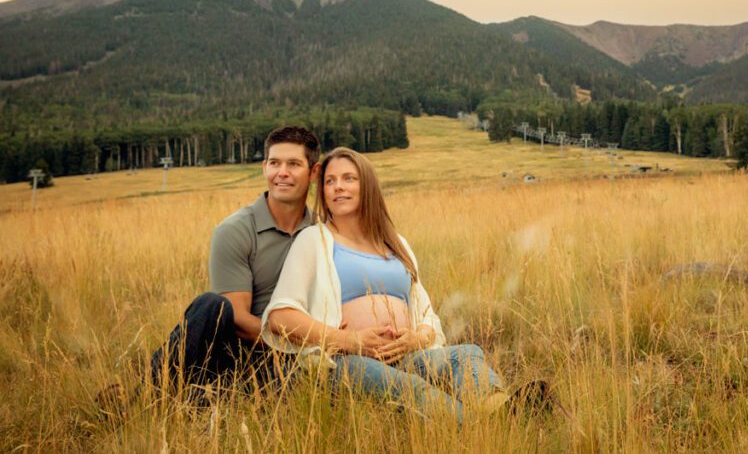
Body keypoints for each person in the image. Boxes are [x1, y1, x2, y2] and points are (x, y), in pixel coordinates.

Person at [261, 147, 508, 422]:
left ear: (367, 185)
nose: (337, 187)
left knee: (465, 354)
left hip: (407, 356)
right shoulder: (313, 240)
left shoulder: (396, 243)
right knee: (410, 387)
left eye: (348, 179)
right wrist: (350, 341)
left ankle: (502, 410)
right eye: (329, 181)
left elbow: (425, 313)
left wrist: (418, 338)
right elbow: (280, 316)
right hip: (345, 362)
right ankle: (480, 427)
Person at [147, 125, 321, 392]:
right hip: (240, 352)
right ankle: (143, 395)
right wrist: (304, 341)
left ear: (313, 172)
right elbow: (237, 319)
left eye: (294, 164)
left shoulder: (322, 233)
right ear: (264, 167)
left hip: (293, 362)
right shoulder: (235, 230)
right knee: (211, 305)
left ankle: (205, 396)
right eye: (274, 163)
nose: (282, 172)